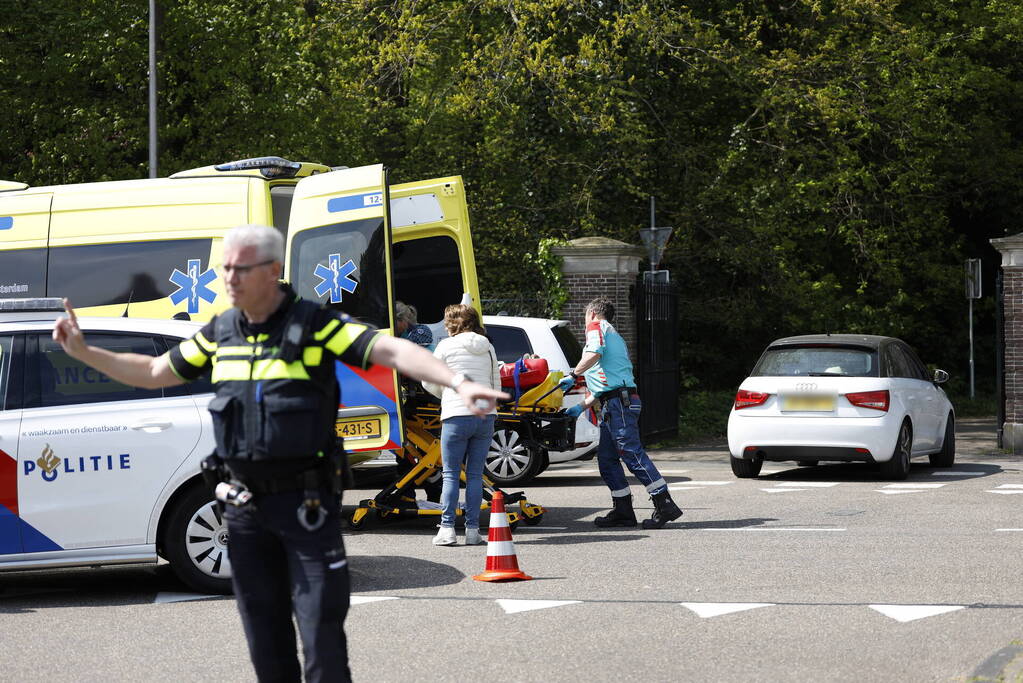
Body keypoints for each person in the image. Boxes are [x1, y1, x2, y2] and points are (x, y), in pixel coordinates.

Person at [51, 224, 508, 683]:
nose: (229, 277)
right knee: (266, 645)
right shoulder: (220, 331)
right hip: (243, 511)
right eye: (225, 267)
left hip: (307, 506)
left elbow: (387, 348)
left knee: (322, 640)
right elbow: (153, 370)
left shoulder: (314, 323)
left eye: (240, 268)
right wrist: (85, 351)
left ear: (271, 271)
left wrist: (456, 381)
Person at [558, 296, 682, 529]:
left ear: (592, 314)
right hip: (615, 402)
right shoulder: (614, 335)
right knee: (606, 459)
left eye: (585, 317)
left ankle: (664, 503)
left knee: (631, 453)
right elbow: (609, 382)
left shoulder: (596, 327)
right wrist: (581, 407)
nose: (584, 322)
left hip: (618, 404)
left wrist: (573, 374)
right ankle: (623, 510)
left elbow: (593, 354)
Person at [422, 304, 500, 546]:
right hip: (485, 415)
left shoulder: (445, 346)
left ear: (452, 323)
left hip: (456, 414)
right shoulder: (487, 346)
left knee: (451, 475)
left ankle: (447, 530)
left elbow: (428, 380)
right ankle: (474, 531)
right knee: (475, 475)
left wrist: (444, 394)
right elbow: (496, 383)